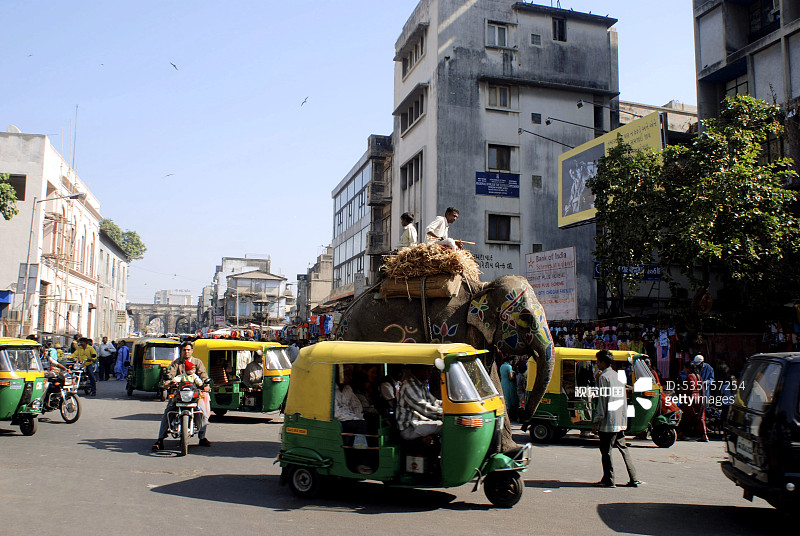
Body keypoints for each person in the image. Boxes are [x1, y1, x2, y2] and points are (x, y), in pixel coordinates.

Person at [592, 350, 641, 488]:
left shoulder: (604, 377)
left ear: (602, 362)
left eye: (598, 362)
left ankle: (609, 479)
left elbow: (602, 401)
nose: (597, 364)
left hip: (608, 421)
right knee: (623, 449)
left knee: (606, 451)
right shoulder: (617, 376)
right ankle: (634, 478)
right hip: (619, 419)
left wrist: (597, 421)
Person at [153, 341, 211, 450]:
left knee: (203, 412)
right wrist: (168, 383)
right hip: (178, 393)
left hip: (194, 394)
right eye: (184, 350)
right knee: (168, 412)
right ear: (181, 351)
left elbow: (203, 375)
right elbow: (170, 374)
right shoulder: (176, 363)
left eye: (188, 350)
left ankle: (202, 437)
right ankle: (160, 439)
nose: (186, 352)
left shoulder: (197, 362)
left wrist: (205, 385)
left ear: (192, 351)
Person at [396, 365, 443, 441]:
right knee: (445, 428)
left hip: (419, 423)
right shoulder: (409, 386)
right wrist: (444, 414)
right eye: (426, 369)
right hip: (409, 428)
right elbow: (424, 409)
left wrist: (449, 405)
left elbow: (434, 401)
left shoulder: (421, 384)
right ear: (417, 370)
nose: (429, 372)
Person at [334, 365, 367, 433]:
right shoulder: (332, 390)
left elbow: (357, 405)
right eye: (347, 375)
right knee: (360, 425)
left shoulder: (348, 389)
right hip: (339, 421)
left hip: (350, 417)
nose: (350, 378)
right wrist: (353, 419)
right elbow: (336, 414)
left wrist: (358, 418)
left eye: (351, 375)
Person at [499, 355, 518, 420]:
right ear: (510, 360)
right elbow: (511, 377)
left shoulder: (502, 366)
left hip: (503, 382)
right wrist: (514, 374)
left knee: (505, 398)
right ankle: (510, 414)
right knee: (510, 398)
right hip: (509, 384)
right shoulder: (509, 367)